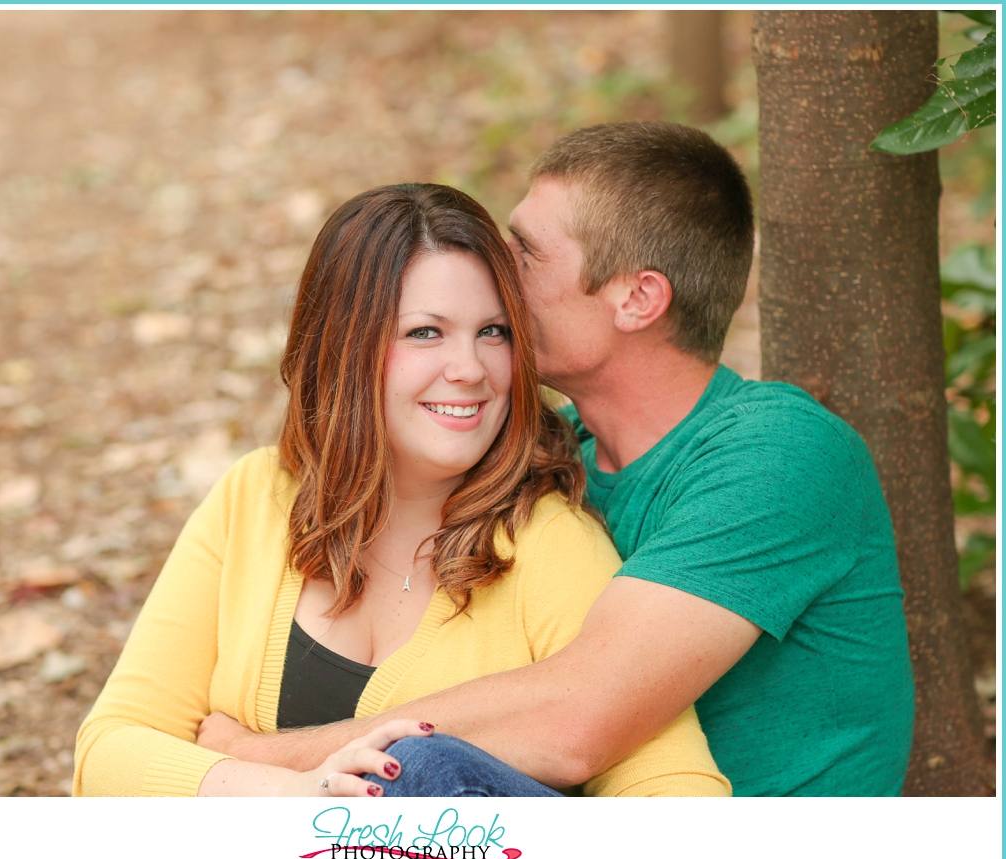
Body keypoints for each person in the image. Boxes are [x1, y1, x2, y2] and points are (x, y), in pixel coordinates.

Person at [196, 122, 916, 797]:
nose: (493, 266)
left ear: (637, 298)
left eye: (526, 251)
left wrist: (257, 758)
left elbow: (577, 721)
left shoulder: (780, 453)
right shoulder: (546, 452)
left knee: (423, 772)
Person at [74, 182, 730, 797]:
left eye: (493, 332)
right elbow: (109, 752)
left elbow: (678, 791)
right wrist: (289, 792)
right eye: (426, 332)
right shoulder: (257, 498)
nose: (470, 368)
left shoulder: (550, 544)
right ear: (343, 344)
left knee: (420, 770)